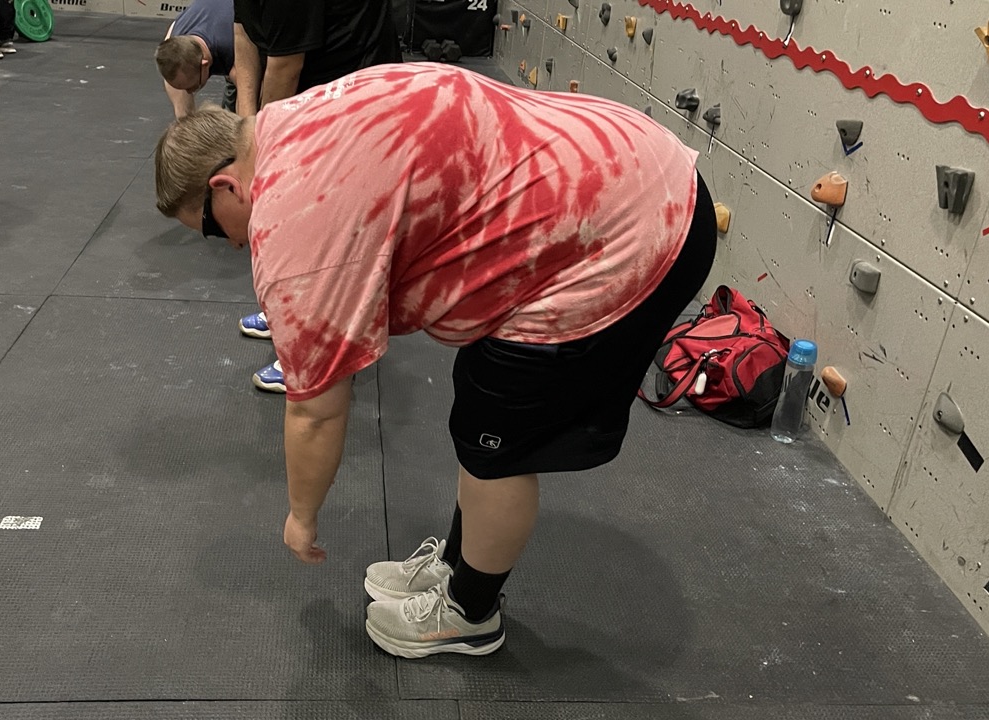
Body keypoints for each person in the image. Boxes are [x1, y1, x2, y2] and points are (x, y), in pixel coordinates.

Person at [153, 63, 716, 658]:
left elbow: (316, 411)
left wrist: (301, 514)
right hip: (624, 162)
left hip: (631, 223)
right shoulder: (288, 121)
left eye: (211, 229)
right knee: (481, 405)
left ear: (225, 187)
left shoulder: (291, 216)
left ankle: (470, 613)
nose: (233, 243)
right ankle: (458, 564)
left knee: (499, 440)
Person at [229, 0, 401, 393]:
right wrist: (247, 125)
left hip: (357, 92)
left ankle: (318, 352)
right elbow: (244, 32)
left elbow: (285, 65)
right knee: (293, 214)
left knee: (328, 228)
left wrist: (263, 149)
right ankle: (291, 313)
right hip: (313, 88)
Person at [155, 0, 236, 117]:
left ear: (204, 65)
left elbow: (250, 90)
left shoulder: (230, 47)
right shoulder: (174, 42)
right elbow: (182, 112)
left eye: (192, 87)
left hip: (246, 33)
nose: (189, 91)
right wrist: (186, 124)